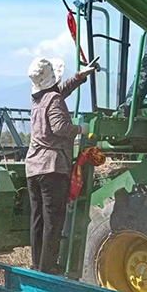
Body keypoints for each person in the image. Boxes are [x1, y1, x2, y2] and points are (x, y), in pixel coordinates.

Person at [26, 57, 98, 274]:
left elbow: (59, 91)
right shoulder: (54, 99)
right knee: (54, 219)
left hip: (33, 167)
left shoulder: (38, 98)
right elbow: (60, 127)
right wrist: (80, 129)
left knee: (38, 217)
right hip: (52, 167)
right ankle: (49, 267)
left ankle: (37, 263)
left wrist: (79, 77)